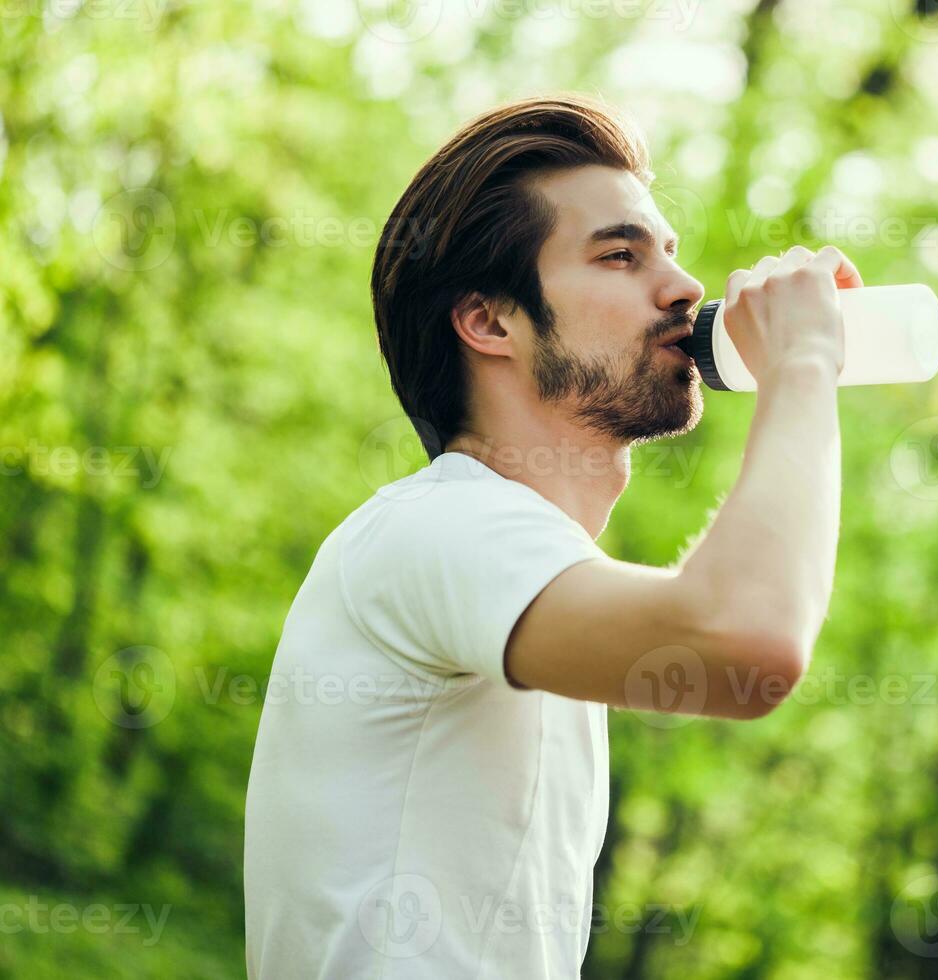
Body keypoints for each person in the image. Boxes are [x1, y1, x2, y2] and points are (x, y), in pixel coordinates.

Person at [243, 93, 860, 979]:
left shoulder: (513, 562)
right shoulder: (442, 524)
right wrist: (802, 365)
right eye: (619, 254)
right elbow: (743, 642)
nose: (686, 289)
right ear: (490, 321)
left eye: (671, 254)